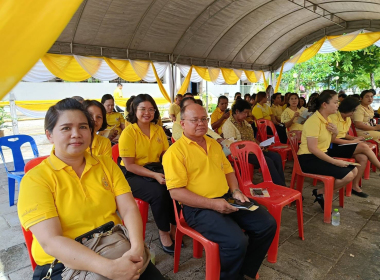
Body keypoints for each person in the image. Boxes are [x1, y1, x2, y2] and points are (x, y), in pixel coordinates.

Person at [18, 98, 165, 280]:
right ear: (49, 135)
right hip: (62, 263)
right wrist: (109, 268)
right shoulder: (35, 179)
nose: (76, 134)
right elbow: (51, 241)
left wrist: (136, 249)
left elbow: (128, 208)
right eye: (66, 128)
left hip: (113, 244)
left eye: (83, 127)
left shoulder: (106, 165)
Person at [163, 103, 277, 280]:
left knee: (267, 224)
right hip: (198, 208)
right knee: (236, 242)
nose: (201, 123)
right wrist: (213, 204)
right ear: (182, 123)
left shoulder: (213, 144)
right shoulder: (175, 153)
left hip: (227, 197)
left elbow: (228, 169)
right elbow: (176, 193)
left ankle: (246, 271)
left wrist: (236, 191)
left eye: (204, 119)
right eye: (194, 120)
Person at [118, 94, 176, 255]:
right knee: (158, 192)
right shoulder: (129, 132)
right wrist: (155, 176)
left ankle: (174, 226)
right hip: (132, 174)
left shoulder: (158, 129)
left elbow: (165, 154)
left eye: (151, 109)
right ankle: (163, 232)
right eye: (142, 109)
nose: (147, 113)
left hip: (156, 168)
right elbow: (129, 165)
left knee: (176, 184)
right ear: (134, 111)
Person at [298, 90, 357, 210]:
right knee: (348, 175)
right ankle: (321, 193)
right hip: (308, 159)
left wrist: (335, 133)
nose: (338, 105)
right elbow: (312, 148)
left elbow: (328, 141)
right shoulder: (313, 121)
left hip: (321, 155)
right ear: (325, 104)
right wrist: (335, 161)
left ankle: (320, 192)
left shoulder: (327, 120)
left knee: (354, 170)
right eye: (335, 102)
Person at [222, 99, 286, 186]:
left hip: (253, 150)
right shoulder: (229, 125)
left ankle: (281, 185)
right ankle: (278, 187)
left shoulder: (244, 122)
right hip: (240, 153)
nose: (247, 115)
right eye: (245, 112)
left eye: (247, 112)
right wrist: (253, 148)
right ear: (237, 111)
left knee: (276, 157)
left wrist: (259, 144)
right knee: (267, 161)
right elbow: (233, 146)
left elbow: (252, 138)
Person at [330, 96, 380, 198]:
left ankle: (354, 186)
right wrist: (355, 141)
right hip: (332, 147)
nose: (355, 113)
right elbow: (332, 139)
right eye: (354, 110)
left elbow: (343, 134)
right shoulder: (333, 117)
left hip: (342, 143)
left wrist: (354, 138)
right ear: (349, 109)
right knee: (363, 146)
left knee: (363, 157)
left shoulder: (347, 119)